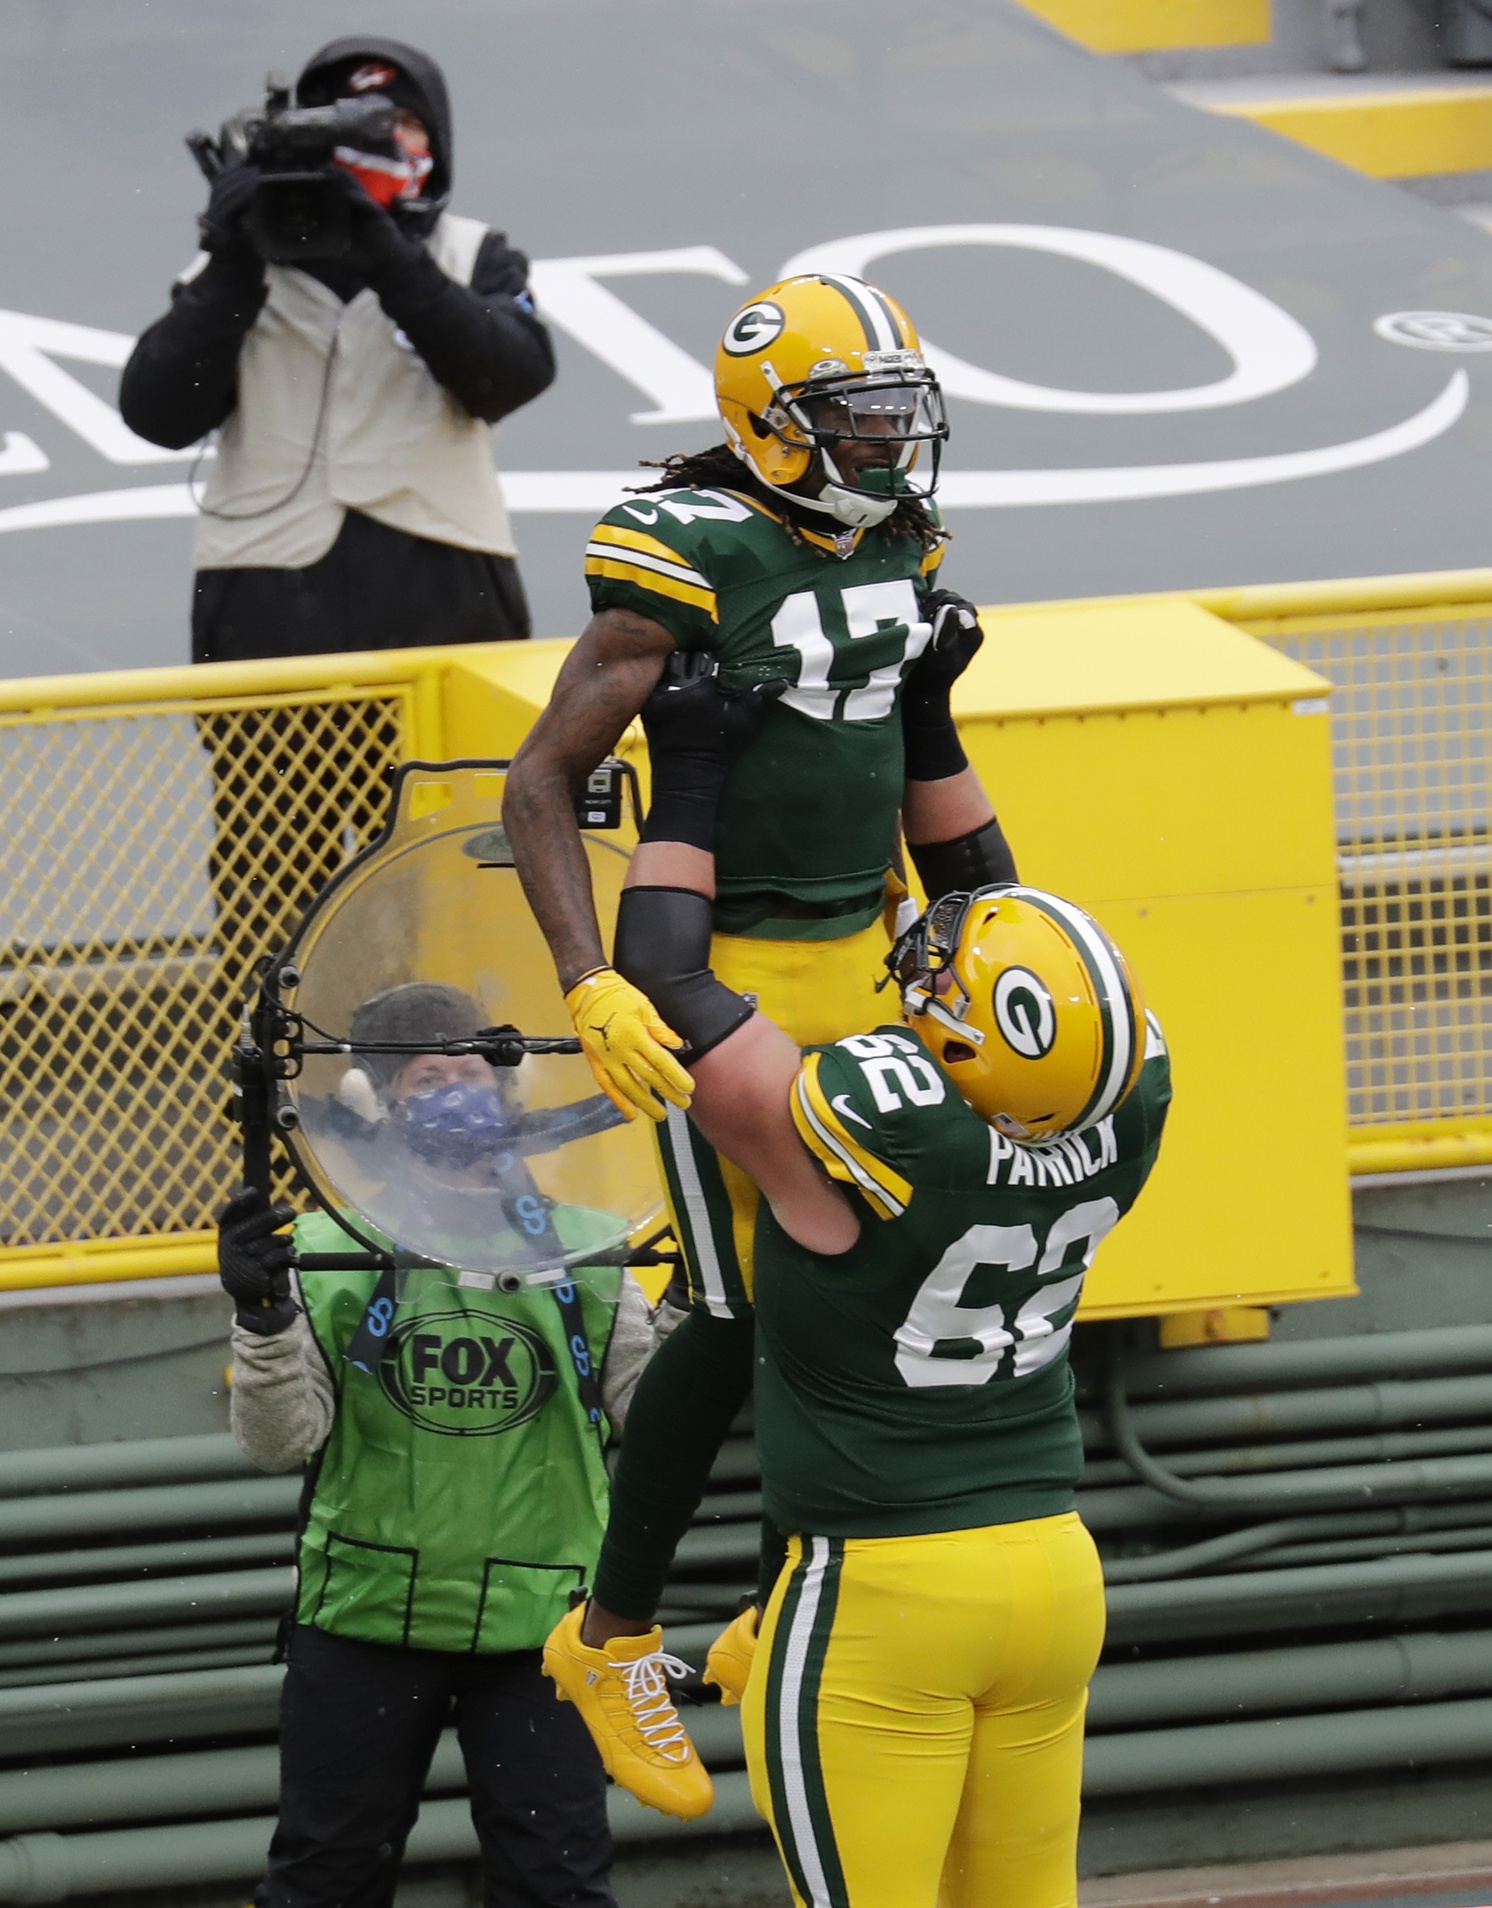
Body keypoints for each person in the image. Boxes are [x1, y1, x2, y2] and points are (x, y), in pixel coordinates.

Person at [503, 274, 1019, 1814]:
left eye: (893, 407)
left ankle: (791, 1590)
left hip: (858, 963)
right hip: (707, 972)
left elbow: (919, 756)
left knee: (851, 1292)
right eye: (853, 412)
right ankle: (612, 1631)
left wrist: (979, 932)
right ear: (772, 428)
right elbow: (541, 785)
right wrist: (591, 978)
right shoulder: (686, 553)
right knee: (736, 1309)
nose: (884, 437)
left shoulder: (896, 540)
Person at [546, 670, 1172, 1907]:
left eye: (943, 985)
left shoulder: (878, 1139)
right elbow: (995, 928)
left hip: (886, 1591)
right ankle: (731, 1619)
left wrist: (696, 775)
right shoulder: (1128, 1103)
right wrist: (927, 719)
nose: (924, 964)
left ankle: (621, 1633)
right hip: (1051, 1574)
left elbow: (679, 989)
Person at [218, 981, 664, 1908]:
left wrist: (706, 1311)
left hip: (546, 1634)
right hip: (364, 1624)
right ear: (379, 1102)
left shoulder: (593, 1250)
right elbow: (278, 1442)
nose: (460, 1088)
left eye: (474, 1069)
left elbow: (653, 1426)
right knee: (324, 1879)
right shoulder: (323, 1247)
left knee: (559, 1888)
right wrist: (260, 1322)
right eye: (429, 1076)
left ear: (511, 1090)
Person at [121, 38, 554, 661]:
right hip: (262, 591)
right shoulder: (235, 264)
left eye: (401, 123)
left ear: (438, 144)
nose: (384, 143)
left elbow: (511, 378)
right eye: (352, 125)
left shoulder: (473, 253)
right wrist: (231, 257)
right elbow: (157, 416)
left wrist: (390, 255)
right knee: (270, 766)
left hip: (447, 582)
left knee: (463, 764)